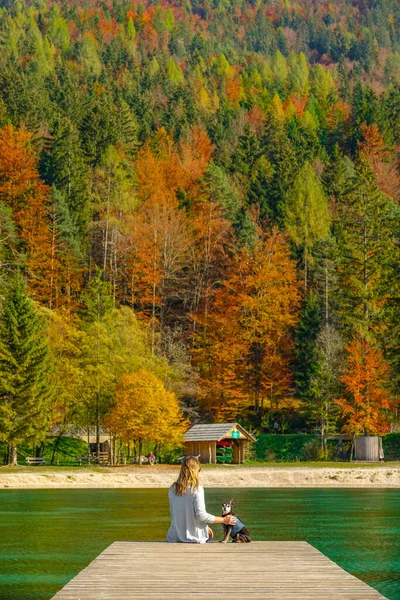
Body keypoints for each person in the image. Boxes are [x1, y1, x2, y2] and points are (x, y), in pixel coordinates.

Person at [167, 456, 237, 543]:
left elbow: (177, 513)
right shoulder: (197, 489)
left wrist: (205, 526)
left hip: (174, 537)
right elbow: (201, 515)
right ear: (195, 471)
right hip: (195, 538)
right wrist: (224, 520)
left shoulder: (172, 489)